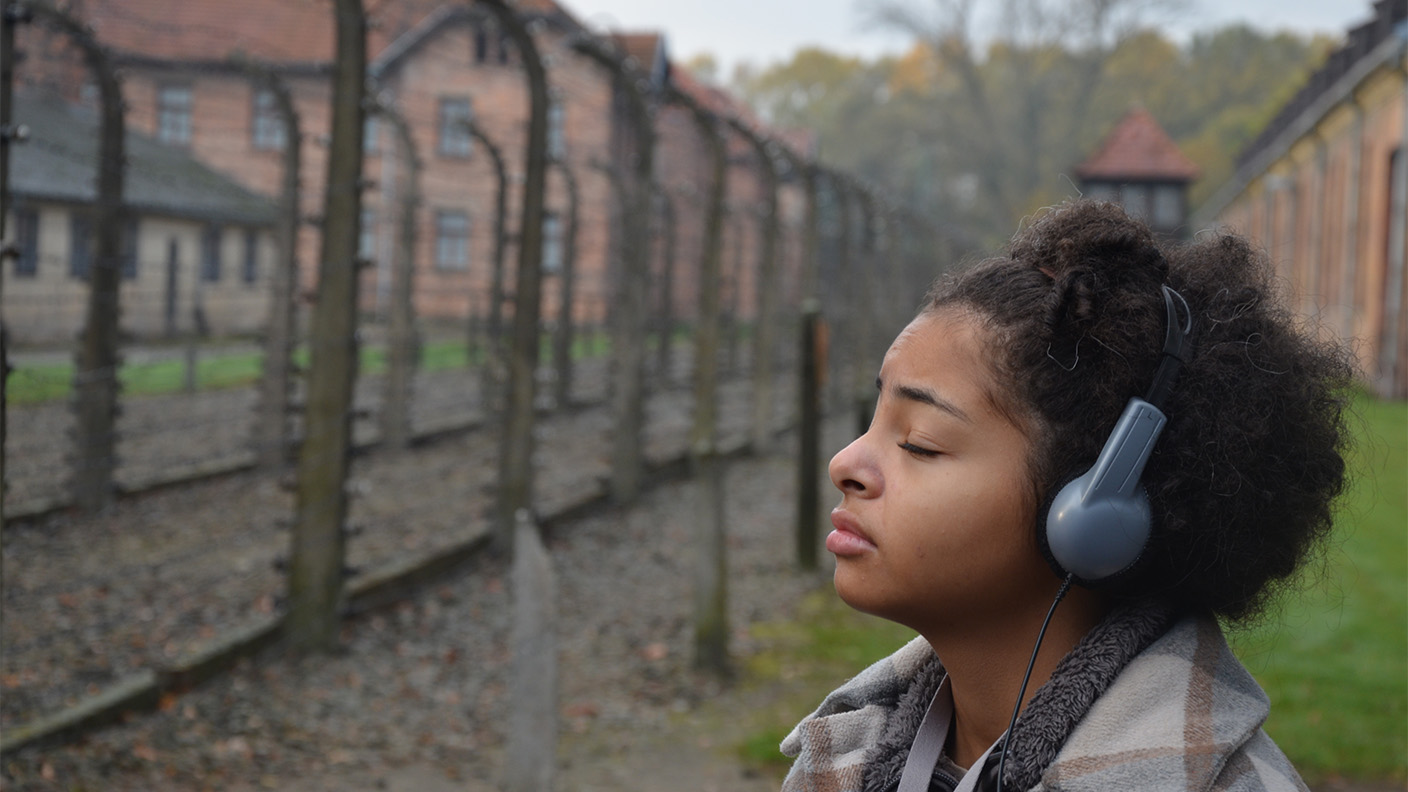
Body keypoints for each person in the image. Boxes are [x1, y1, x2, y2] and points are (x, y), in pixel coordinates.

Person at [780, 201, 1354, 792]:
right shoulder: (837, 757)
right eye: (876, 420)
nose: (844, 464)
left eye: (920, 444)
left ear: (1094, 512)